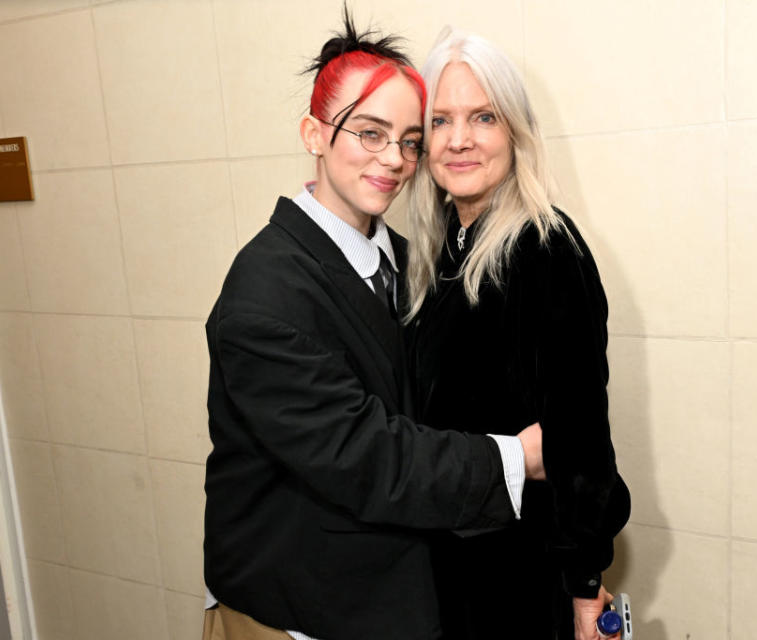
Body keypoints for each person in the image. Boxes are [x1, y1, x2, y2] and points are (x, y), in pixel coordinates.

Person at [203, 13, 544, 640]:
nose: (394, 159)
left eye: (411, 140)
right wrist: (519, 458)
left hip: (392, 599)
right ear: (314, 133)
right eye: (369, 133)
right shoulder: (264, 296)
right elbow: (368, 456)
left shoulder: (408, 263)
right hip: (299, 614)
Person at [404, 27, 632, 640]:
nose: (459, 140)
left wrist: (585, 590)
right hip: (452, 567)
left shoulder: (545, 248)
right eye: (441, 121)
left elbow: (580, 437)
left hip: (520, 578)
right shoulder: (439, 252)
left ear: (516, 132)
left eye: (483, 117)